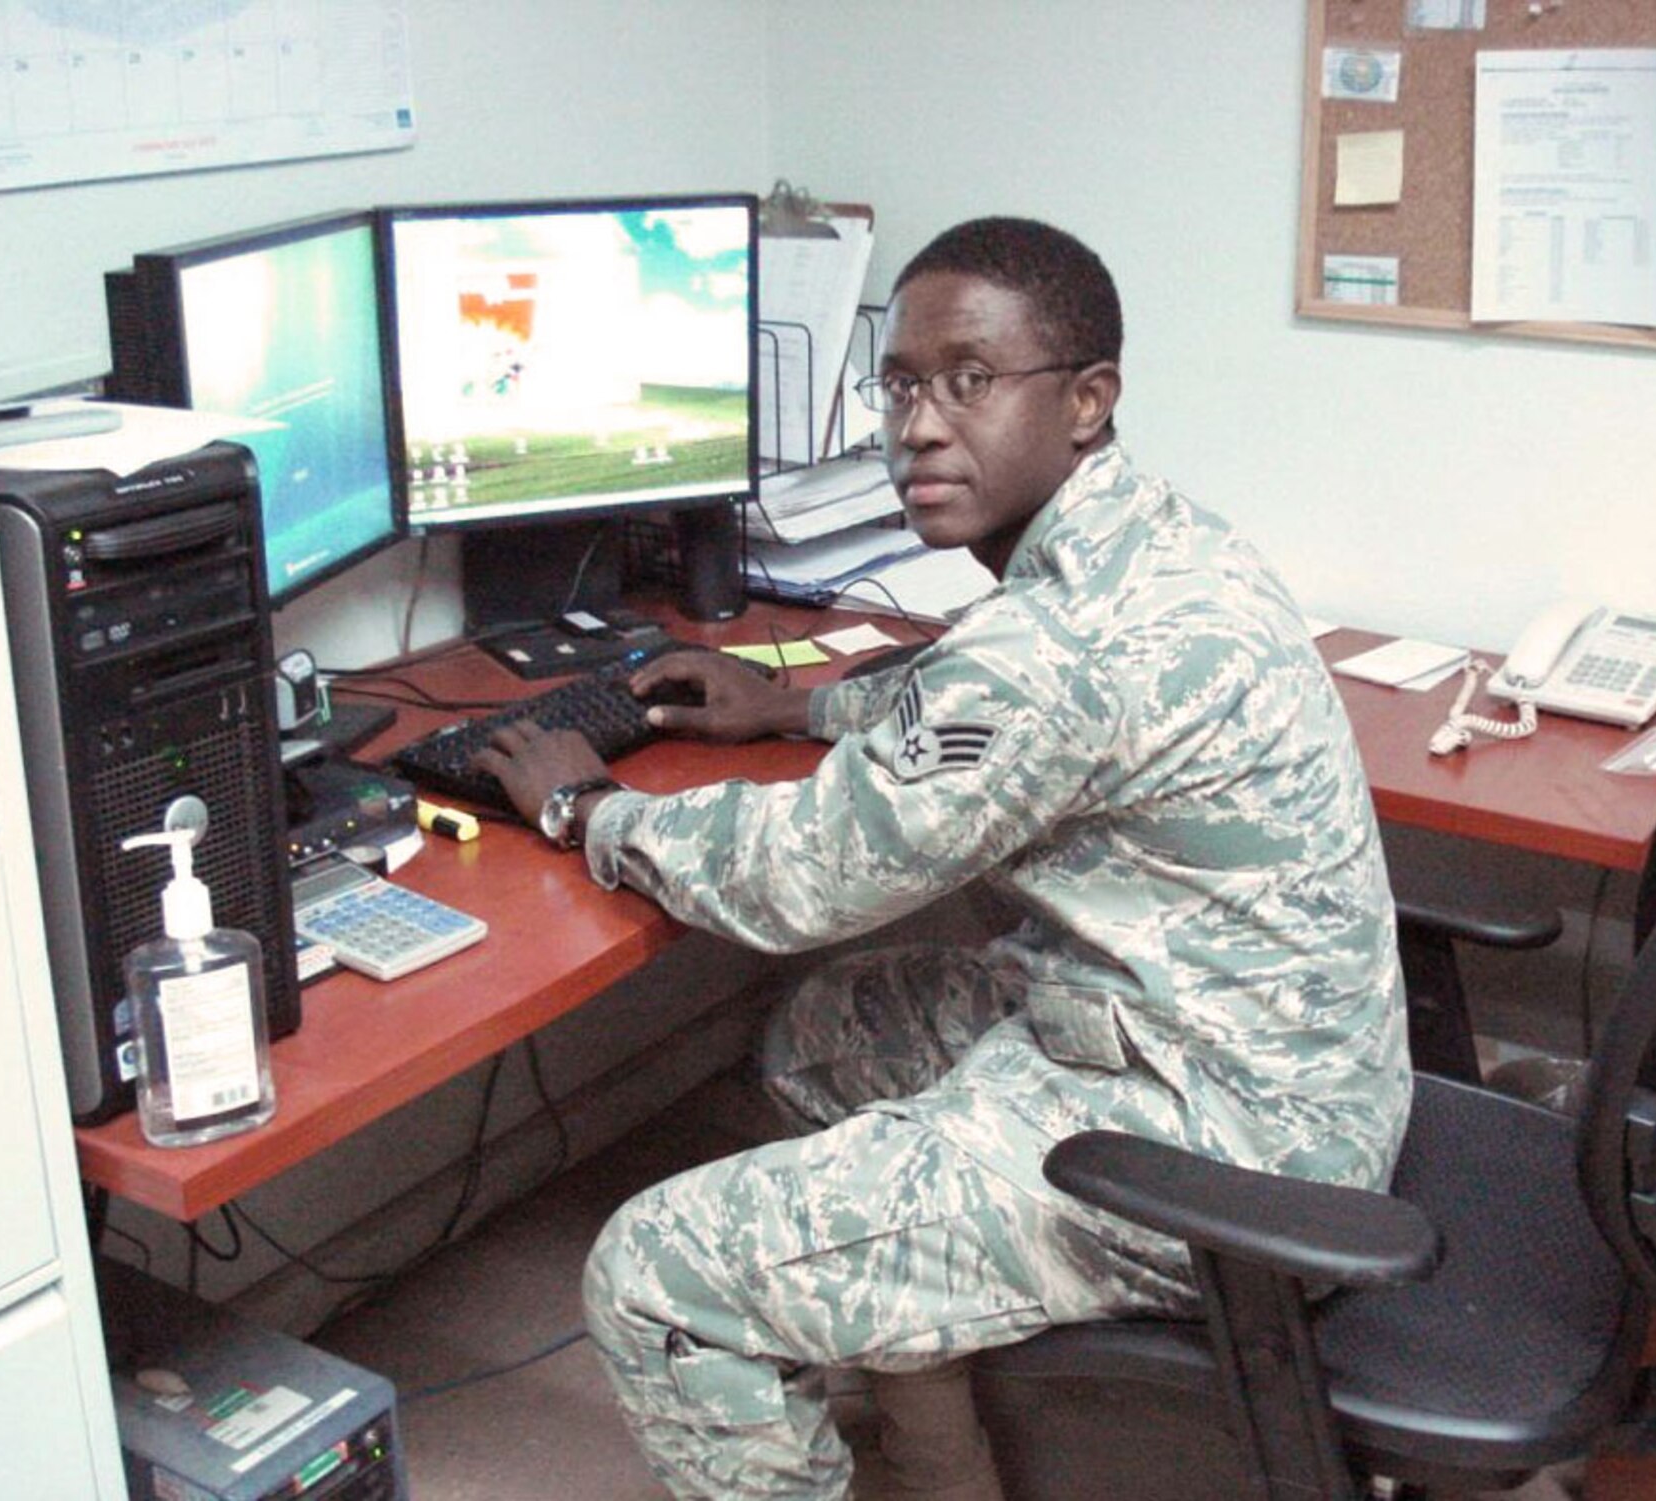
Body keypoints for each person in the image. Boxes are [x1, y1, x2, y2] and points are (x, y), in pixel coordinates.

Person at [472, 217, 1410, 1501]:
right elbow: (980, 705)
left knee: (656, 1275)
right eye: (901, 382)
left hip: (1212, 1150)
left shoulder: (1053, 647)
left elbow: (800, 876)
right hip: (1273, 1073)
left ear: (1085, 401)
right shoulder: (1155, 543)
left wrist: (589, 813)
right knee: (831, 1030)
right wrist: (796, 707)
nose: (916, 423)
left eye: (968, 380)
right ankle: (941, 1463)